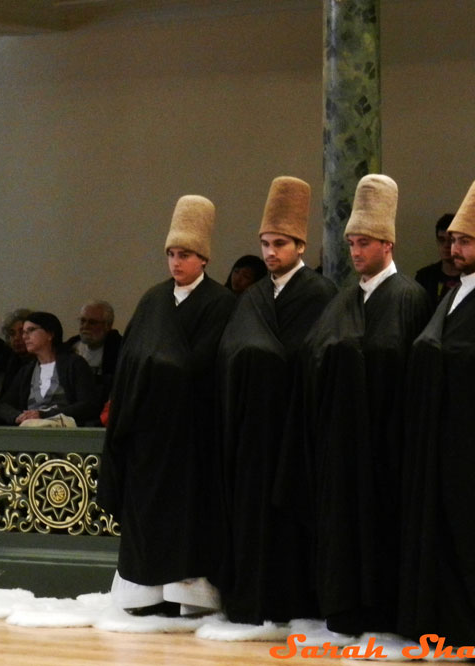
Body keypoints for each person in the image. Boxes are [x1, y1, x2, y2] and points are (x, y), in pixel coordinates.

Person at [301, 175, 430, 636]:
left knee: (382, 533)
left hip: (386, 447)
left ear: (387, 244)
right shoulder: (343, 300)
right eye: (351, 242)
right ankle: (345, 609)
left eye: (364, 243)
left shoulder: (411, 298)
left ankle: (385, 613)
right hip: (342, 447)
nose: (355, 252)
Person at [98, 195, 235, 617]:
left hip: (191, 435)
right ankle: (144, 593)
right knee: (146, 518)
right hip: (147, 434)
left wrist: (161, 367)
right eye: (172, 254)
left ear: (203, 259)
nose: (177, 263)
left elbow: (207, 364)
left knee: (188, 516)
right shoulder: (153, 300)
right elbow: (130, 359)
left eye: (186, 255)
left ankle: (187, 596)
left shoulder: (221, 303)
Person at [398, 179, 475, 653]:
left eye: (464, 241)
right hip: (443, 440)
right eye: (451, 240)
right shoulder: (455, 293)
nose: (454, 248)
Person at [216, 176, 336, 625]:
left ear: (300, 246)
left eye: (280, 243)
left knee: (290, 525)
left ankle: (293, 604)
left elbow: (315, 357)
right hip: (252, 433)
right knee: (251, 521)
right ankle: (250, 602)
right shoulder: (255, 296)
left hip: (293, 430)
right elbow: (230, 350)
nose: (270, 252)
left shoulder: (320, 294)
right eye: (265, 243)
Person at [0, 311, 100, 426]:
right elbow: (2, 405)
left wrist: (44, 415)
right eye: (24, 332)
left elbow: (88, 405)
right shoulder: (27, 371)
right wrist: (17, 416)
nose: (24, 336)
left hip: (66, 433)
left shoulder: (74, 364)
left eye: (31, 330)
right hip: (31, 431)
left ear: (50, 334)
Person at [64, 300, 123, 408]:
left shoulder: (120, 349)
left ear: (108, 326)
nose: (85, 326)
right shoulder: (69, 348)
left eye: (92, 322)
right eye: (82, 321)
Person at [414, 212, 459, 308]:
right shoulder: (424, 277)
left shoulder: (471, 278)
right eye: (442, 240)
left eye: (451, 240)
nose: (446, 246)